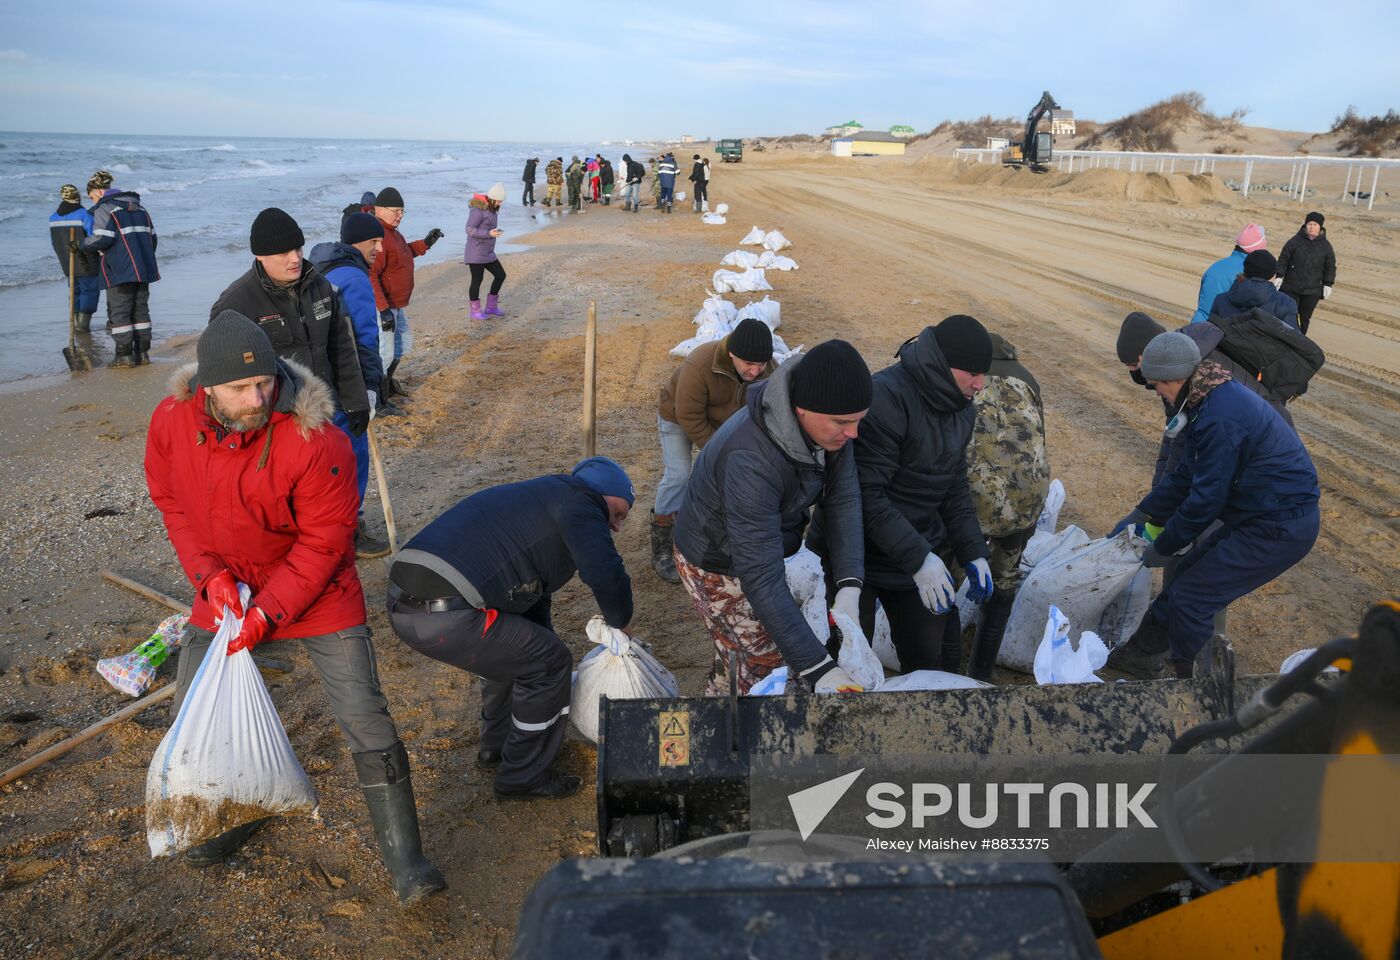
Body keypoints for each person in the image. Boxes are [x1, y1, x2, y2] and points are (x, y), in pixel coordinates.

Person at [145, 312, 444, 904]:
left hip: (318, 591)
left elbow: (325, 543)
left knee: (364, 714)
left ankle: (407, 862)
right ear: (207, 386)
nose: (256, 398)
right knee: (193, 711)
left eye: (264, 384)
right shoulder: (172, 422)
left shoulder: (317, 440)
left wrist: (267, 614)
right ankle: (235, 813)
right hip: (227, 586)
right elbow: (170, 500)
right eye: (239, 389)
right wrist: (209, 577)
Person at [387, 457, 635, 799]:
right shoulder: (582, 501)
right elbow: (605, 571)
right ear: (601, 492)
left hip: (405, 599)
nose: (617, 526)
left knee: (516, 652)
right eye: (618, 513)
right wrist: (621, 623)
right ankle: (523, 776)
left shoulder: (537, 500)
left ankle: (499, 749)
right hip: (447, 611)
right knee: (549, 664)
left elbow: (531, 601)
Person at [1106, 332, 1320, 679]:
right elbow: (1186, 473)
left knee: (1193, 595)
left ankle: (1193, 685)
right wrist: (1145, 512)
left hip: (1281, 525)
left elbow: (1205, 501)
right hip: (1257, 513)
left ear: (1176, 377)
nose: (1157, 391)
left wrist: (1163, 545)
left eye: (1158, 384)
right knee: (1186, 579)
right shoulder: (1205, 397)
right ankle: (1135, 658)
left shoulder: (1220, 415)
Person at [673, 340, 872, 695]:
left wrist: (850, 585)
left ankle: (718, 698)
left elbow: (843, 498)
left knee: (745, 644)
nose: (854, 433)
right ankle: (740, 735)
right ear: (801, 410)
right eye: (843, 422)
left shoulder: (831, 431)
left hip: (762, 544)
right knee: (769, 665)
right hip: (716, 559)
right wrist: (819, 669)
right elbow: (761, 576)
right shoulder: (750, 458)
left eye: (859, 420)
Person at [808, 317, 994, 676]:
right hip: (857, 555)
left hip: (915, 552)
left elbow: (953, 485)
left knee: (927, 656)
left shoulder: (962, 411)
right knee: (849, 653)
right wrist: (920, 558)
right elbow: (864, 496)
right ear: (942, 363)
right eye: (972, 372)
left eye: (983, 373)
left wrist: (973, 550)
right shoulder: (885, 399)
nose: (981, 383)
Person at [209, 207, 372, 483]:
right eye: (284, 253)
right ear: (259, 255)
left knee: (342, 473)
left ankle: (351, 521)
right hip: (277, 419)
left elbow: (342, 348)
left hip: (327, 406)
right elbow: (221, 378)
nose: (295, 258)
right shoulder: (234, 304)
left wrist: (357, 402)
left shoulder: (320, 287)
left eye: (298, 248)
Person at [653, 319, 776, 583]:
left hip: (725, 422)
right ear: (732, 353)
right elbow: (688, 415)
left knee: (734, 475)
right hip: (677, 416)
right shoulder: (700, 363)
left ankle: (713, 533)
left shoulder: (768, 370)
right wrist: (718, 453)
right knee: (680, 475)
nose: (756, 371)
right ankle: (662, 542)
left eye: (761, 364)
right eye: (749, 365)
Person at [962, 332, 1049, 680]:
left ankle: (940, 662)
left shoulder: (967, 378)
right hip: (1026, 501)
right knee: (1004, 581)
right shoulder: (1027, 378)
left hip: (971, 504)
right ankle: (982, 669)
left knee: (948, 571)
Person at [307, 213, 392, 558]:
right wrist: (370, 387)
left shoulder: (318, 270)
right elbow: (364, 339)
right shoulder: (355, 278)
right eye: (373, 241)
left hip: (317, 379)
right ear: (356, 243)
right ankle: (351, 530)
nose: (380, 247)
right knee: (352, 454)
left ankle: (322, 528)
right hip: (346, 383)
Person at [369, 186, 444, 402]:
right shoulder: (379, 236)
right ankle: (380, 401)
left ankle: (388, 385)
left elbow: (404, 254)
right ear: (379, 210)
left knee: (403, 345)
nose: (400, 215)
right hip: (385, 306)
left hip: (398, 304)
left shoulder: (393, 233)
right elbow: (371, 274)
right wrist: (383, 310)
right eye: (396, 211)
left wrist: (426, 243)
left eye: (402, 211)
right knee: (385, 354)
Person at [81, 169, 159, 367]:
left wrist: (81, 245)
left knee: (120, 313)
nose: (92, 201)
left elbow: (102, 238)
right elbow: (153, 239)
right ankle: (142, 354)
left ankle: (123, 356)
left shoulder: (105, 208)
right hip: (143, 270)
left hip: (120, 270)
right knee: (141, 311)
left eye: (91, 197)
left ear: (98, 191)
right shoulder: (140, 209)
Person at [48, 183, 101, 334]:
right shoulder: (84, 215)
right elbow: (93, 238)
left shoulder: (53, 218)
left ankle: (77, 322)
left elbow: (54, 243)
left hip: (66, 260)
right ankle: (83, 326)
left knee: (75, 290)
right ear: (77, 197)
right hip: (86, 260)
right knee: (89, 290)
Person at [1276, 211, 1337, 336]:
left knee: (1305, 318)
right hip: (1290, 287)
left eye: (1315, 224)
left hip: (1312, 290)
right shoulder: (1294, 241)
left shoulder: (1326, 246)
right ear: (1305, 225)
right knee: (1287, 312)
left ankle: (1300, 340)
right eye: (1310, 224)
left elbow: (1330, 266)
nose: (1312, 227)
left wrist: (1328, 284)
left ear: (1320, 227)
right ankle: (1282, 337)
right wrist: (1279, 276)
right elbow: (1283, 259)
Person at [1191, 223, 1266, 324]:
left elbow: (1202, 299)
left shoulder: (1215, 266)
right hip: (1219, 331)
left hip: (1197, 324)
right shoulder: (1248, 273)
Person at [1209, 250, 1299, 330]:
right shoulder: (1286, 304)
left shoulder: (1220, 299)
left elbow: (1210, 333)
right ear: (1272, 275)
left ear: (1245, 271)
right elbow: (1296, 342)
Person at [465, 183, 507, 320]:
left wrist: (494, 232)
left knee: (500, 275)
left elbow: (488, 228)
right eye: (499, 201)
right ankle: (475, 311)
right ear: (492, 198)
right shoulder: (478, 210)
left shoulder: (493, 209)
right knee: (477, 280)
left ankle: (491, 307)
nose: (501, 204)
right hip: (476, 252)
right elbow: (470, 229)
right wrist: (489, 233)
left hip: (488, 252)